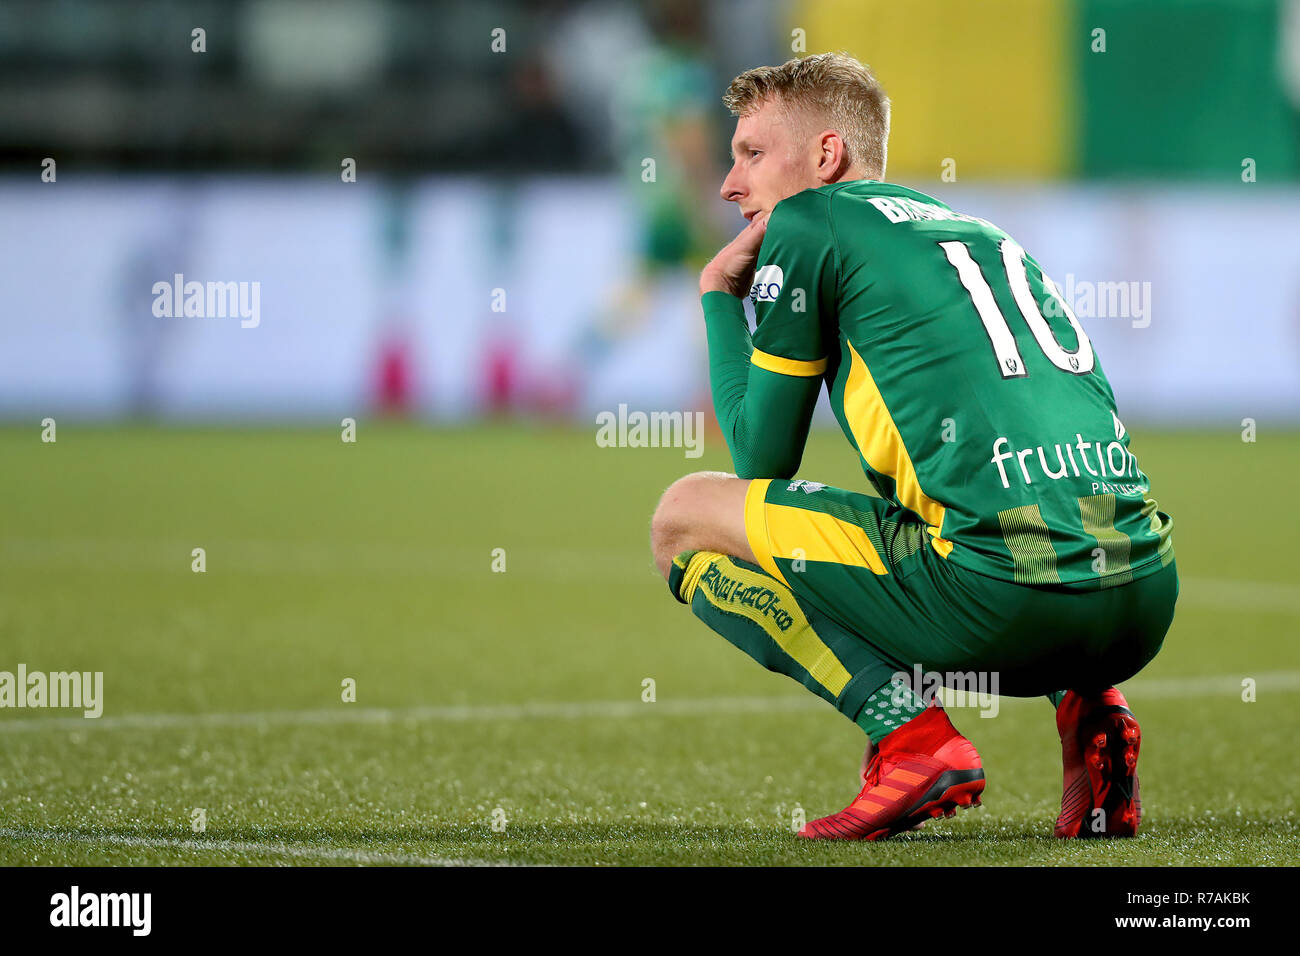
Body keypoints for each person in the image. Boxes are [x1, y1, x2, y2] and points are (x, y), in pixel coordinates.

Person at [649, 52, 1178, 840]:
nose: (730, 184)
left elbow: (763, 457)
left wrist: (719, 300)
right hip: (1143, 600)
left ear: (826, 157)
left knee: (685, 517)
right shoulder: (982, 234)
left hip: (1007, 610)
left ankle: (911, 740)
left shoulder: (809, 222)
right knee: (989, 508)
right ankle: (1096, 720)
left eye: (753, 154)